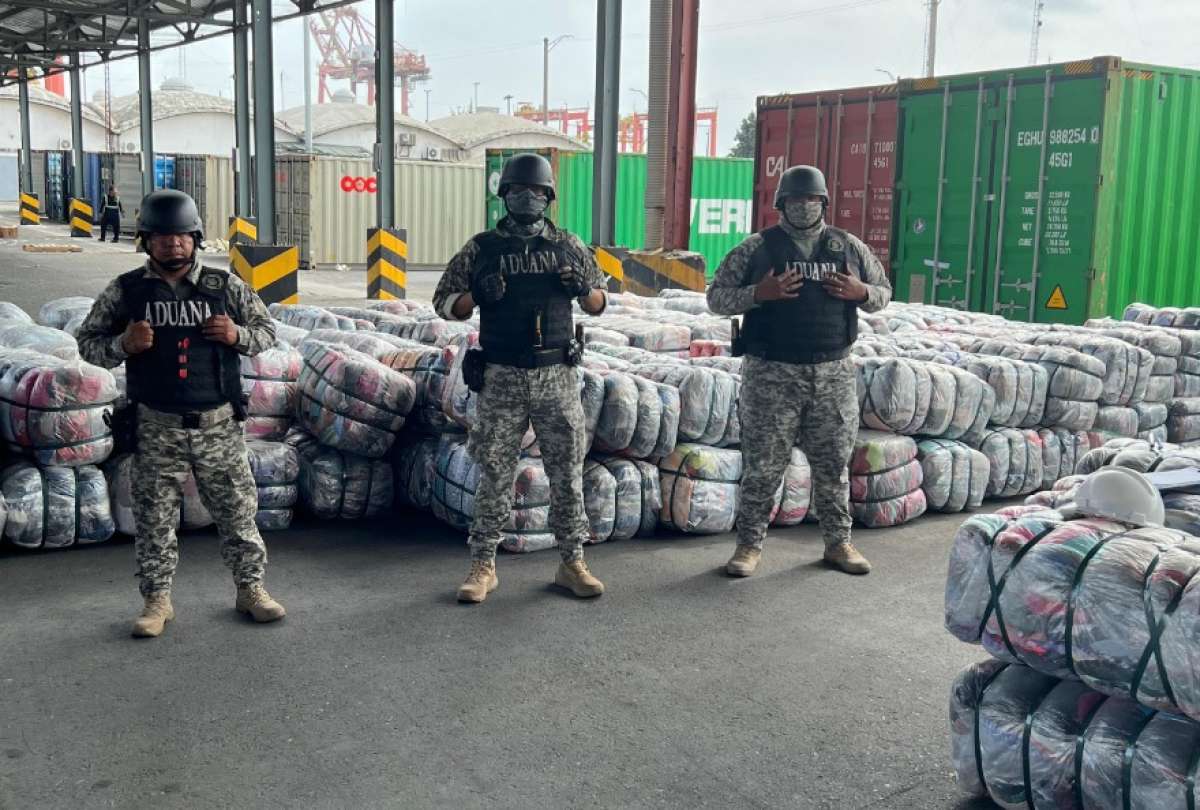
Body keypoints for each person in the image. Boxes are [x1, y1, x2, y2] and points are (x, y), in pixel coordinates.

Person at [77, 189, 285, 637]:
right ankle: (157, 601)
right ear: (147, 240)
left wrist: (236, 336)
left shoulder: (225, 287)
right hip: (156, 427)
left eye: (181, 236)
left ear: (195, 239)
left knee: (238, 515)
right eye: (162, 236)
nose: (173, 243)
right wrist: (123, 345)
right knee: (154, 521)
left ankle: (251, 590)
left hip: (218, 425)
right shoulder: (126, 291)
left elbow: (267, 331)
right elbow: (87, 345)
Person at [433, 153, 609, 604]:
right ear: (504, 195)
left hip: (556, 374)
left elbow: (598, 303)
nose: (526, 197)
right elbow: (444, 302)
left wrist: (581, 289)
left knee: (566, 472)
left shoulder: (569, 245)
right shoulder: (481, 248)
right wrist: (475, 295)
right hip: (502, 375)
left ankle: (572, 562)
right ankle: (483, 565)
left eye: (535, 191)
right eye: (517, 190)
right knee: (494, 472)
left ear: (548, 197)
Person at [707, 165, 892, 578]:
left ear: (823, 202)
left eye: (811, 199)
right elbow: (716, 298)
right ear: (782, 203)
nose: (803, 205)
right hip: (771, 375)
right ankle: (748, 546)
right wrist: (759, 293)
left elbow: (883, 292)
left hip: (832, 375)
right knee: (763, 468)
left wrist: (861, 292)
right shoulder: (756, 249)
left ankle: (838, 543)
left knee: (833, 468)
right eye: (795, 199)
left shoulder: (848, 247)